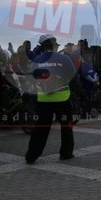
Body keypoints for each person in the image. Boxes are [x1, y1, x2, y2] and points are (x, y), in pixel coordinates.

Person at [25, 35, 77, 163]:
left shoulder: (36, 60)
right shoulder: (64, 58)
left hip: (44, 100)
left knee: (40, 129)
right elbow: (73, 76)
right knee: (66, 127)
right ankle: (66, 153)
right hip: (62, 99)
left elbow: (31, 78)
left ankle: (31, 156)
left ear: (42, 46)